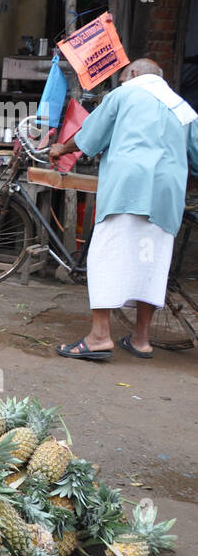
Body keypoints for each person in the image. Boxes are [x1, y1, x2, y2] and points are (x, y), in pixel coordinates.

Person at [48, 59, 198, 361]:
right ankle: (142, 339)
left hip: (128, 189)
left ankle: (100, 336)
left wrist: (61, 148)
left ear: (131, 75)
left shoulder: (124, 94)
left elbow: (90, 136)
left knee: (107, 257)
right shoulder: (183, 108)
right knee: (152, 264)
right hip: (166, 196)